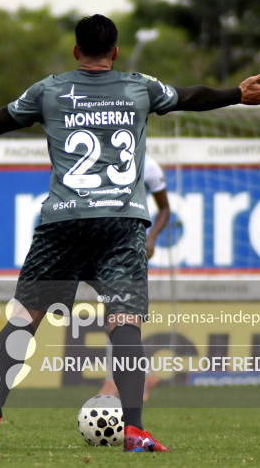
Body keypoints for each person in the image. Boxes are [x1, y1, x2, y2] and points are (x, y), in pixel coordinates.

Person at [0, 14, 260, 452]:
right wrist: (236, 94)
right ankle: (135, 429)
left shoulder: (48, 90)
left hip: (62, 223)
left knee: (23, 322)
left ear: (75, 51)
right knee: (124, 324)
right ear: (116, 52)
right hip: (121, 222)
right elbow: (189, 97)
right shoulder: (139, 86)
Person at [98, 155, 169, 400]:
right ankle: (144, 375)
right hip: (102, 244)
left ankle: (113, 381)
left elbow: (165, 209)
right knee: (113, 313)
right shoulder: (98, 158)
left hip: (130, 247)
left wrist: (151, 238)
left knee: (118, 312)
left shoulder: (148, 164)